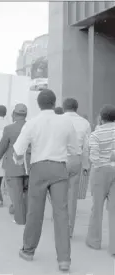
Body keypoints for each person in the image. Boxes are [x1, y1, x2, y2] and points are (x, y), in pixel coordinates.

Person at [13, 88, 78, 272]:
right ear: (55, 102)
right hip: (59, 168)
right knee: (61, 214)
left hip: (38, 169)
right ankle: (64, 260)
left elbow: (18, 150)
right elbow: (74, 149)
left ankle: (28, 251)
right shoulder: (66, 122)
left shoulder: (32, 123)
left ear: (38, 104)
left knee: (35, 212)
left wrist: (18, 160)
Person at [86, 104, 115, 256]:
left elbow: (94, 157)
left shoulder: (96, 134)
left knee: (97, 207)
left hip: (100, 171)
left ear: (101, 118)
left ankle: (94, 241)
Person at [0, 104, 30, 225]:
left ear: (14, 114)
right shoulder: (32, 126)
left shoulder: (9, 128)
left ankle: (20, 219)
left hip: (13, 165)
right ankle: (25, 214)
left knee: (16, 194)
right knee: (26, 192)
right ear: (25, 115)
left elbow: (2, 146)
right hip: (29, 166)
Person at [61, 98, 91, 237]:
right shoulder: (85, 123)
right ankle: (69, 230)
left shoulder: (58, 120)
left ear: (63, 107)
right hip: (76, 160)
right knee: (72, 197)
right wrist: (86, 165)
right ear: (76, 108)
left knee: (58, 194)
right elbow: (86, 147)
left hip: (59, 160)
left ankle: (59, 225)